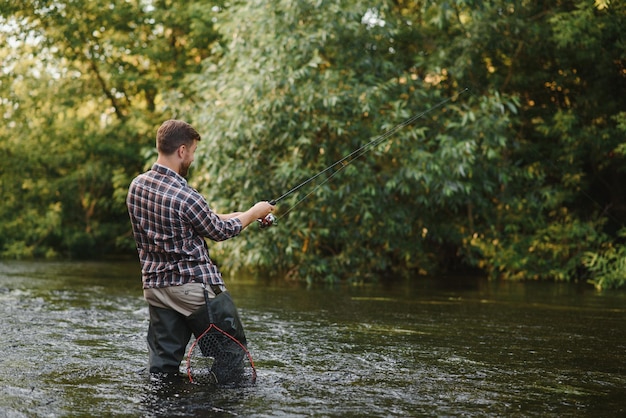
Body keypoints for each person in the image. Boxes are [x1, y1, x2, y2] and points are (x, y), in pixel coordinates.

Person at [126, 119, 274, 379]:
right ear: (182, 150)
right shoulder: (186, 196)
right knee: (230, 353)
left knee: (162, 368)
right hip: (195, 290)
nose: (192, 158)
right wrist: (253, 212)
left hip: (156, 289)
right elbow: (219, 231)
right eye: (192, 152)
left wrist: (247, 214)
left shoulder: (137, 186)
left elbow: (205, 220)